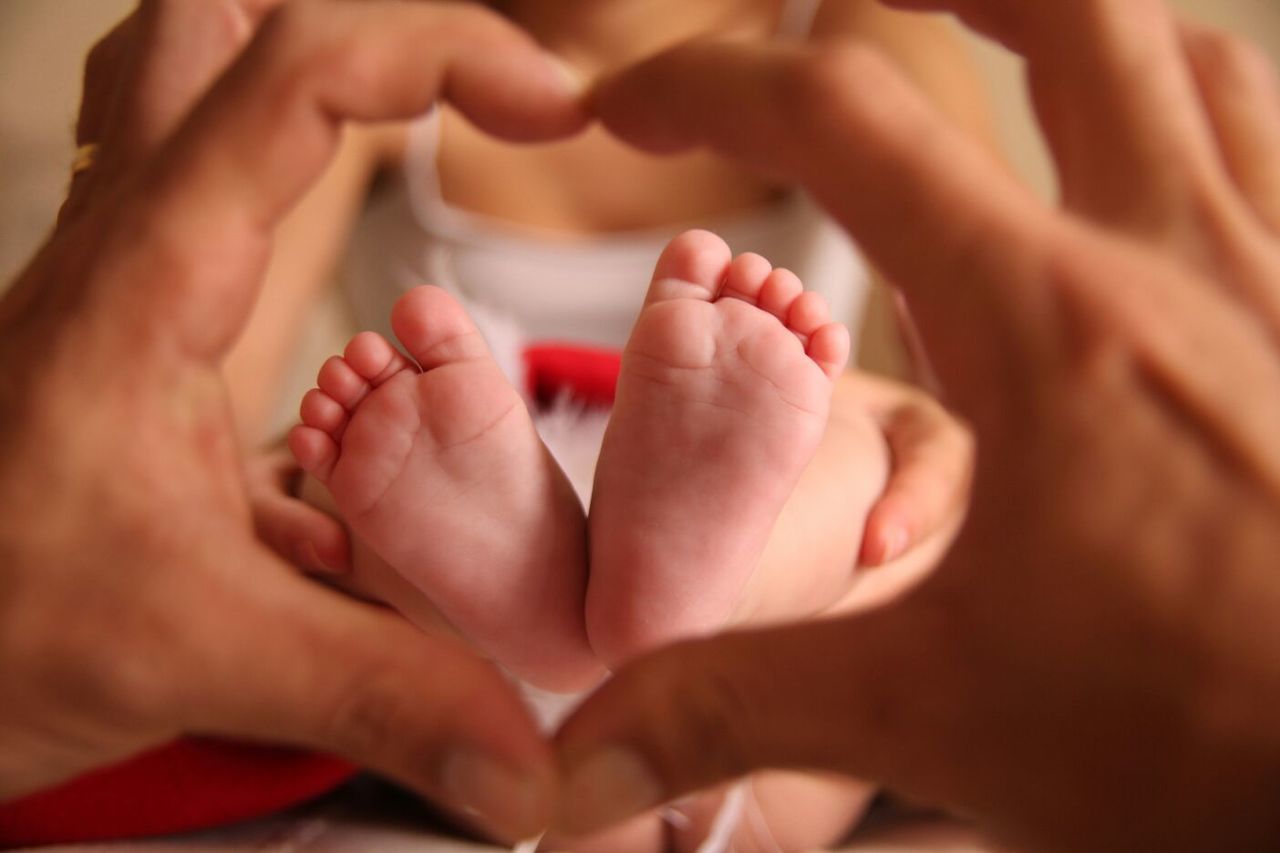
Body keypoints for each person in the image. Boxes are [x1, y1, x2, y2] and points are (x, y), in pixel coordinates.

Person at [550, 0, 1280, 850]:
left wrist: (928, 427)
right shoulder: (414, 60)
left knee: (871, 463)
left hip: (679, 548)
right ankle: (681, 598)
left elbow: (989, 383)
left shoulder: (857, 33)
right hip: (537, 455)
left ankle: (697, 588)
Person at [0, 0, 595, 844]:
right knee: (333, 489)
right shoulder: (394, 50)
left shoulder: (829, 39)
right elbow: (209, 395)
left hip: (628, 460)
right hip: (444, 482)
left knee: (835, 446)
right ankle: (545, 585)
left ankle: (573, 596)